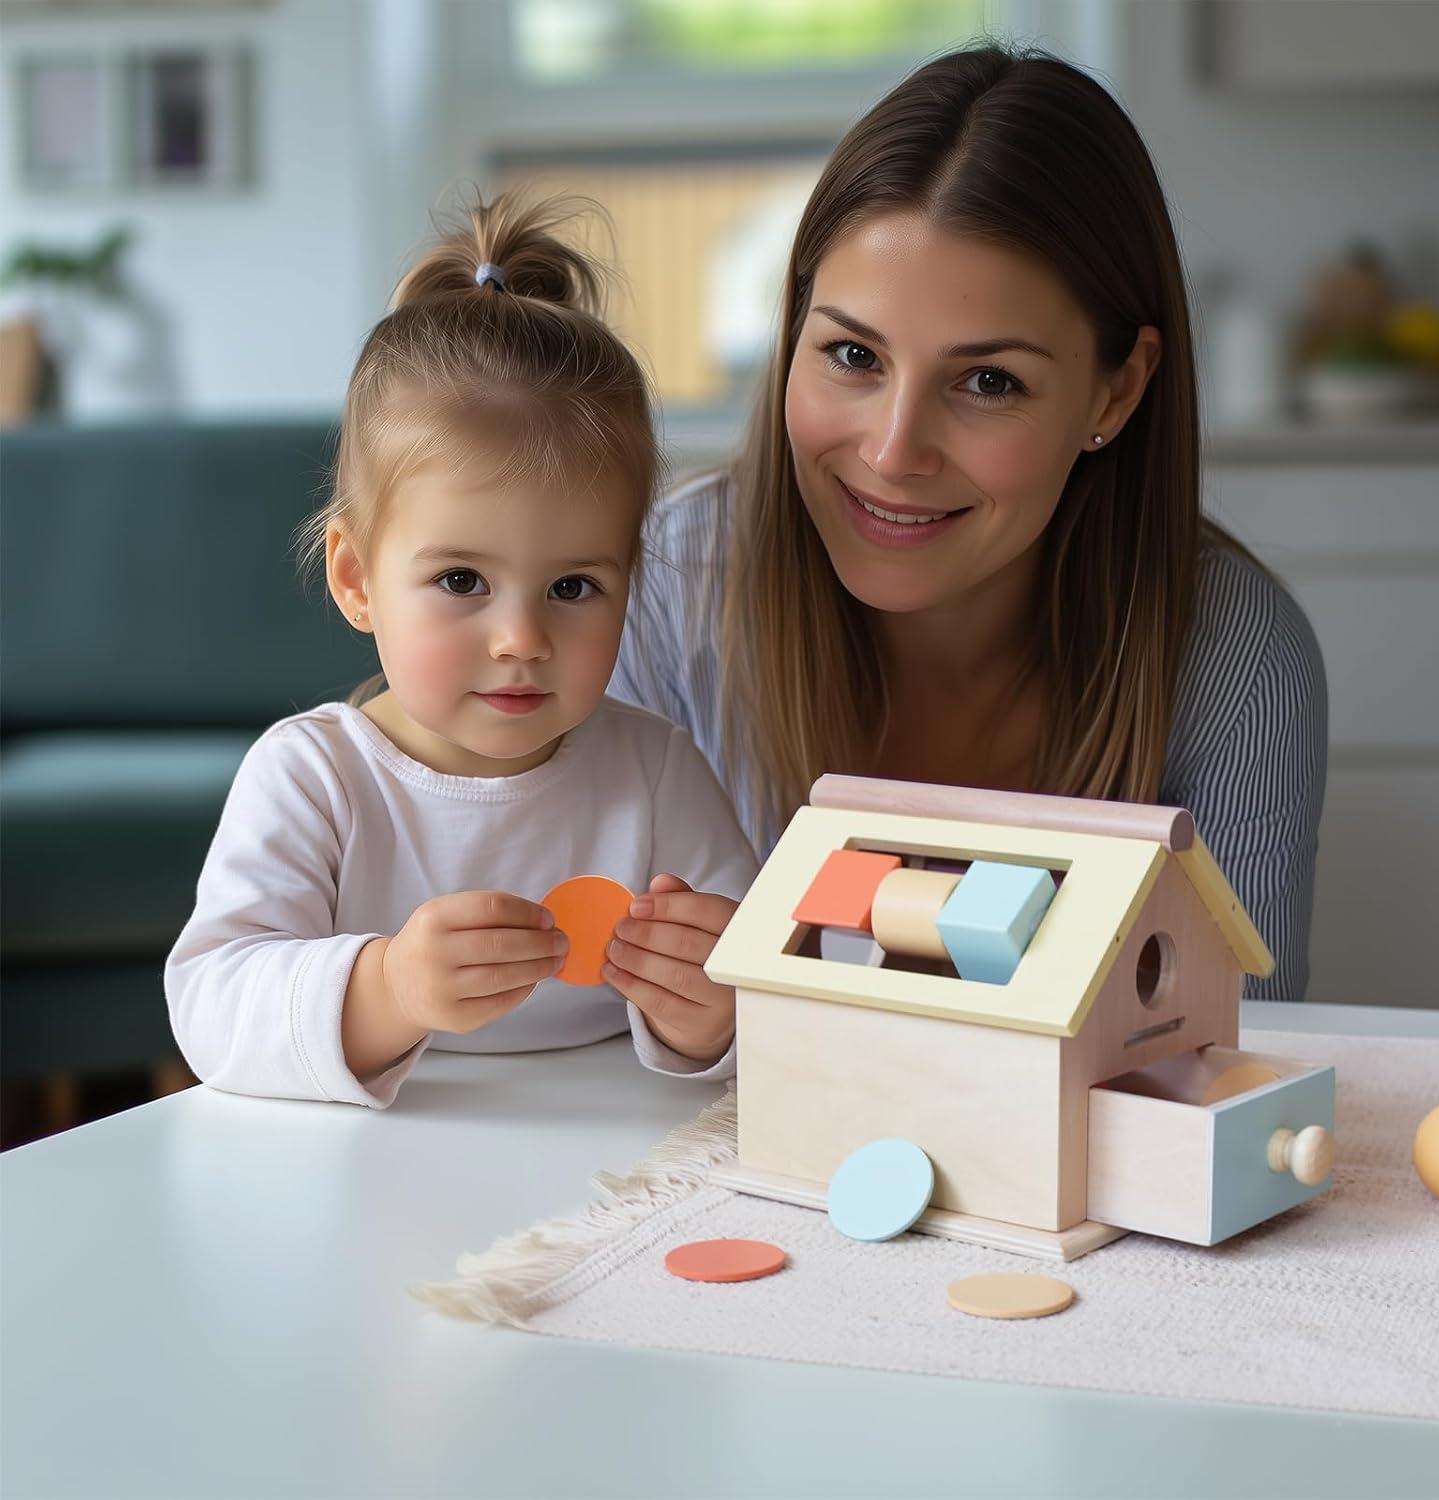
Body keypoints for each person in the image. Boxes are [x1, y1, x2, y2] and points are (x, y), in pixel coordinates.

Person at [610, 44, 1328, 1001]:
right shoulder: (660, 588)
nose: (895, 451)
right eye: (853, 355)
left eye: (989, 382)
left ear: (1117, 390)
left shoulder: (1236, 663)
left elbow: (1240, 1058)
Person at [166, 197, 757, 1107]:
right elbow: (210, 1002)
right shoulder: (315, 777)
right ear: (358, 577)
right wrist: (389, 988)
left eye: (572, 588)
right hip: (369, 1167)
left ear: (629, 582)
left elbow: (770, 992)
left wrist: (717, 1013)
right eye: (460, 582)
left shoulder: (655, 771)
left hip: (617, 1165)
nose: (521, 640)